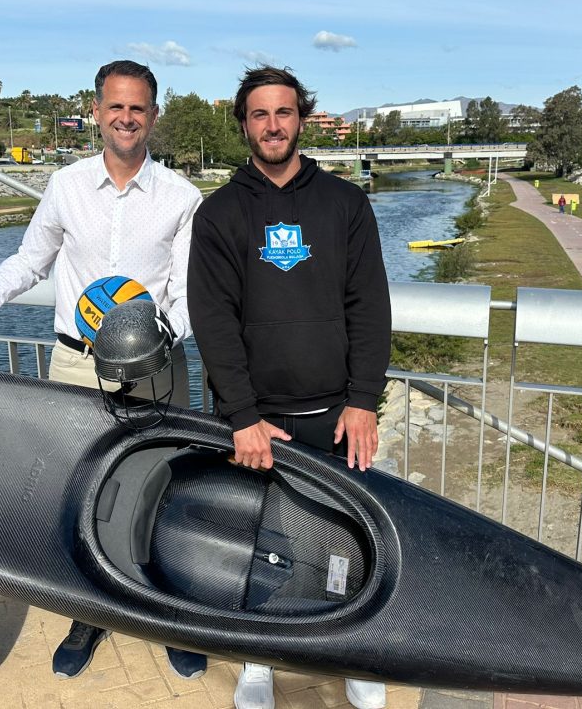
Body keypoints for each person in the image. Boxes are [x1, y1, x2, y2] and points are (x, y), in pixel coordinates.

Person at [0, 60, 207, 681]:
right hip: (76, 365)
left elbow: (193, 294)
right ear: (96, 112)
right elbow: (29, 261)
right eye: (116, 106)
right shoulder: (64, 186)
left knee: (161, 491)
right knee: (81, 493)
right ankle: (89, 612)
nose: (126, 118)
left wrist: (162, 337)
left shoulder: (182, 198)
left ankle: (168, 616)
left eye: (138, 108)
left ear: (153, 116)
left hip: (154, 369)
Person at [188, 66, 391, 709]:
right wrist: (240, 414)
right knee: (261, 539)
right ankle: (259, 656)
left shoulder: (346, 205)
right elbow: (213, 320)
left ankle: (348, 651)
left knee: (343, 535)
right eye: (259, 115)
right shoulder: (219, 213)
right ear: (243, 124)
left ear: (301, 118)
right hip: (260, 421)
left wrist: (363, 400)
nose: (272, 125)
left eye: (283, 112)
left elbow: (370, 308)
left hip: (336, 412)